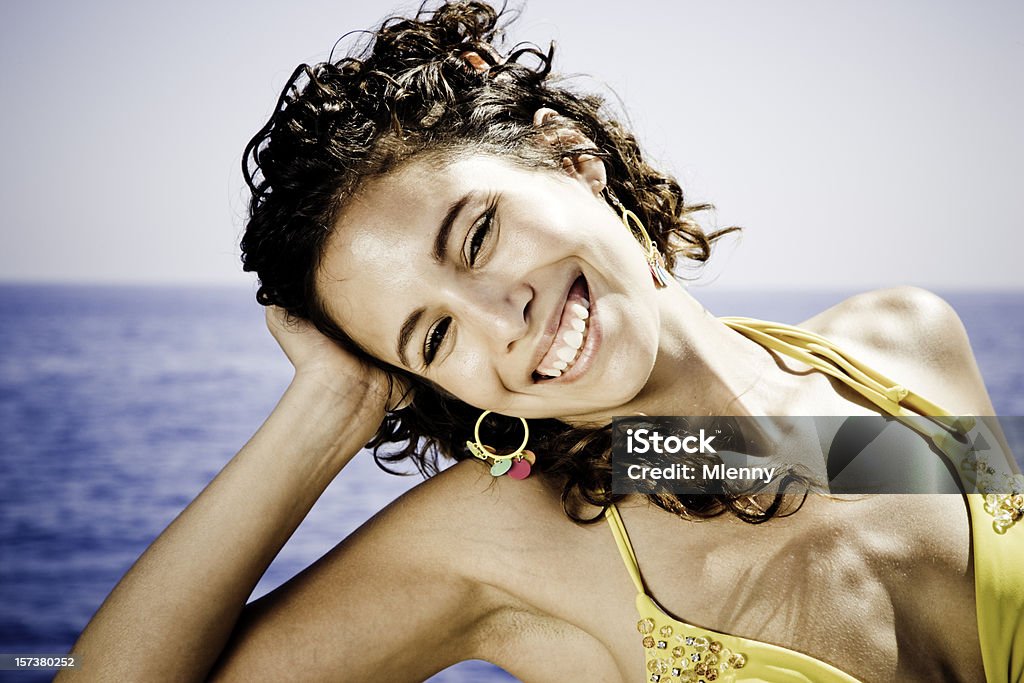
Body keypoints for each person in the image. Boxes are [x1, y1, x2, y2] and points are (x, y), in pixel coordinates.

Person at [60, 2, 1022, 682]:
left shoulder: (905, 345)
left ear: (573, 158)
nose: (498, 318)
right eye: (432, 334)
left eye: (476, 236)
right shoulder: (505, 542)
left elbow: (769, 464)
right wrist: (327, 413)